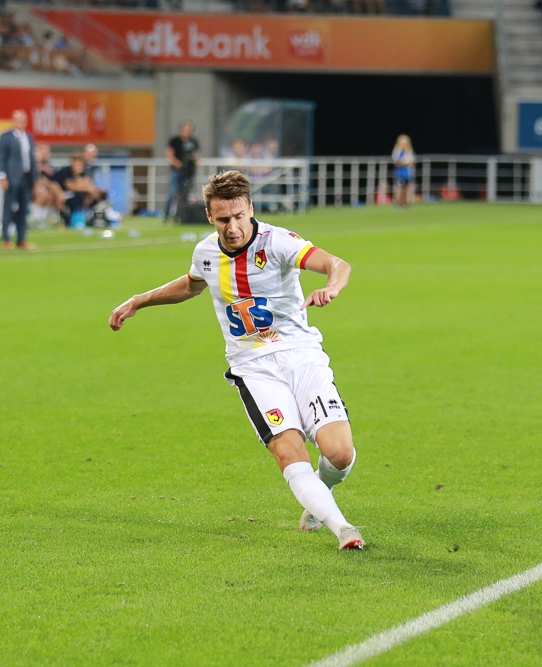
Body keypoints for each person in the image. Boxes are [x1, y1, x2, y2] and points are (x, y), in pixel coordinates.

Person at [109, 170, 365, 551]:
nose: (232, 227)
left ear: (251, 209)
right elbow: (190, 285)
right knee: (288, 450)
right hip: (253, 367)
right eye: (223, 219)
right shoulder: (206, 253)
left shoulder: (278, 242)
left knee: (340, 453)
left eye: (238, 216)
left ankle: (320, 495)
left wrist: (332, 287)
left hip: (302, 356)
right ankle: (343, 528)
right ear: (210, 217)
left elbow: (338, 264)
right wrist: (138, 301)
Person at [0, 109, 37, 250]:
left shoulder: (29, 137)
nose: (20, 123)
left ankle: (21, 238)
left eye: (23, 121)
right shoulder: (6, 137)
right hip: (12, 177)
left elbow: (31, 159)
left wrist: (34, 179)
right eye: (18, 121)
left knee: (24, 209)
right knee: (8, 208)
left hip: (26, 178)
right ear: (13, 121)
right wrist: (2, 176)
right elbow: (2, 157)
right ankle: (6, 238)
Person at [164, 121, 199, 222]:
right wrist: (177, 163)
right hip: (177, 171)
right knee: (172, 193)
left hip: (188, 172)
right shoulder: (175, 141)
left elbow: (196, 155)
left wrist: (194, 163)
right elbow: (169, 154)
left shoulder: (193, 141)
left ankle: (180, 216)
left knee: (184, 195)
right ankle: (166, 215)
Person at [392, 134, 416, 208]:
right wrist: (404, 163)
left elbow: (413, 162)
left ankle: (406, 203)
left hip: (408, 174)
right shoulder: (397, 152)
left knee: (408, 189)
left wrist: (407, 162)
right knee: (400, 189)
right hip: (400, 173)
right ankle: (399, 203)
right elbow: (396, 161)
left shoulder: (409, 152)